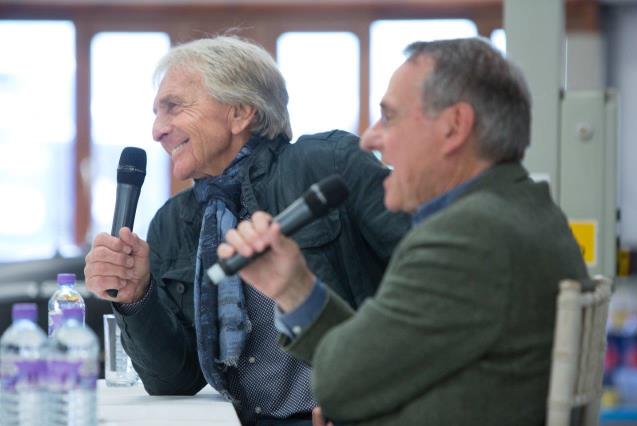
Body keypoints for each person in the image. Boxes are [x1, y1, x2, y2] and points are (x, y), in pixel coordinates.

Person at [217, 38, 589, 425]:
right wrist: (295, 289)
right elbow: (378, 369)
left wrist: (347, 396)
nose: (369, 139)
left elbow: (344, 384)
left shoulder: (467, 236)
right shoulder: (527, 209)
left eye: (390, 118)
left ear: (454, 126)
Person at [84, 35, 411, 425]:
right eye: (156, 113)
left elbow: (427, 281)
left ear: (240, 113)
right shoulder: (173, 220)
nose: (157, 130)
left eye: (173, 107)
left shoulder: (327, 164)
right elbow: (175, 379)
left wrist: (369, 398)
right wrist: (138, 297)